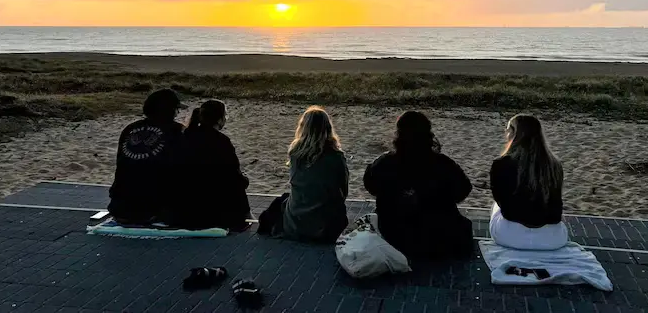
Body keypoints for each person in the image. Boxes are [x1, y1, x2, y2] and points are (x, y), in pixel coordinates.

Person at [363, 111, 474, 260]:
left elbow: (370, 186)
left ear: (398, 135)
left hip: (393, 237)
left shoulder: (383, 163)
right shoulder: (443, 164)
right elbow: (464, 190)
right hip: (437, 241)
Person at [258, 107, 349, 243]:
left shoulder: (295, 154)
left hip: (295, 224)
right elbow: (344, 190)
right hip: (326, 228)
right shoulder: (336, 157)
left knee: (282, 201)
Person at [163, 99, 251, 231]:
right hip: (212, 213)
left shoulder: (185, 136)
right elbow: (233, 177)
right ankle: (244, 218)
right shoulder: (221, 141)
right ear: (220, 119)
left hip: (181, 209)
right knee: (237, 182)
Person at [489, 114, 569, 251]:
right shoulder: (555, 165)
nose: (505, 133)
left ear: (514, 133)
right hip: (554, 239)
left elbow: (501, 201)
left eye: (508, 129)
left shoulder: (501, 164)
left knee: (495, 205)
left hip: (511, 237)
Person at [107, 89, 185, 224]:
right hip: (152, 209)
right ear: (171, 110)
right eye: (177, 109)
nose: (178, 113)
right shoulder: (177, 131)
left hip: (119, 207)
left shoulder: (129, 129)